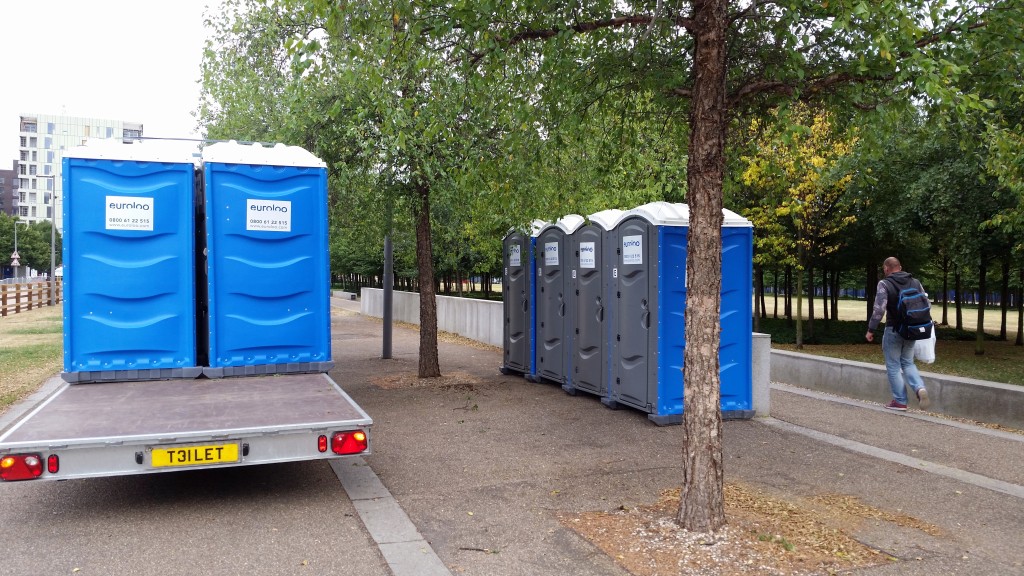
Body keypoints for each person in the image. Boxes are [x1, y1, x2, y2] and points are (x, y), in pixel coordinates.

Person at [864, 257, 931, 411]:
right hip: (912, 330)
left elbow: (879, 309)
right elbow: (926, 304)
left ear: (886, 268)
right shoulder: (915, 282)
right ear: (900, 267)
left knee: (893, 365)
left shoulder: (884, 283)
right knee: (908, 362)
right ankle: (919, 388)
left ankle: (900, 401)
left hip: (894, 329)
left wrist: (871, 329)